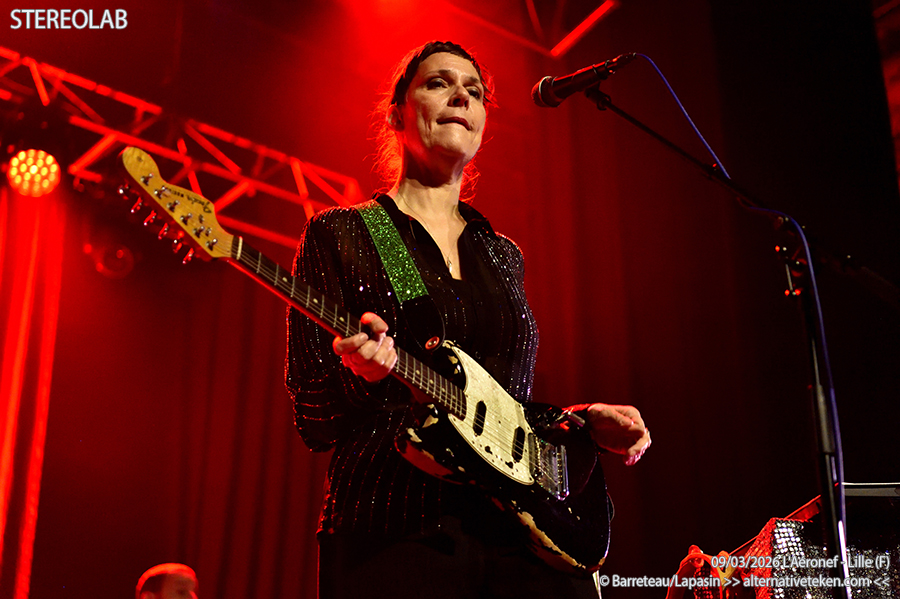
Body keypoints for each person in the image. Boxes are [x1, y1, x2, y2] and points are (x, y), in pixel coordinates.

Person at [285, 40, 651, 599]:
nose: (461, 95)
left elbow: (504, 404)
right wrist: (363, 375)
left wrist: (578, 422)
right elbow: (312, 414)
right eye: (438, 83)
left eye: (474, 91)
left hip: (520, 540)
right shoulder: (346, 233)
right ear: (396, 115)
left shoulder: (502, 254)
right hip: (398, 529)